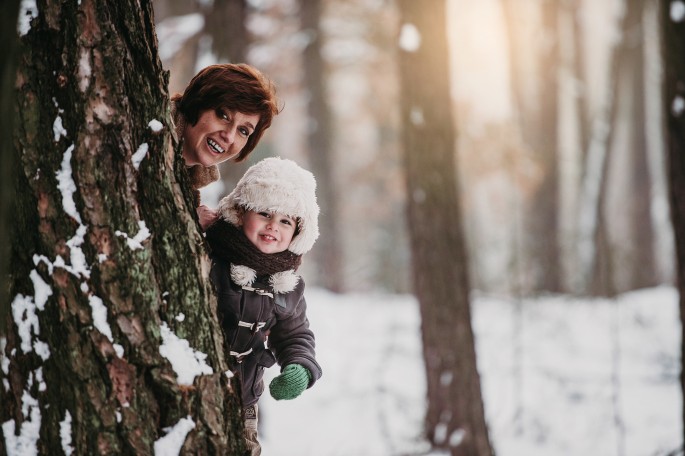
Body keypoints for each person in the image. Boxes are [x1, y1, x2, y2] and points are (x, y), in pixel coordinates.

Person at [203, 157, 322, 455]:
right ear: (242, 213)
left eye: (286, 221)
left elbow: (295, 334)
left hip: (243, 400)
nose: (273, 226)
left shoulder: (287, 284)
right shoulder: (214, 256)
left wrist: (300, 367)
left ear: (297, 232)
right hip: (199, 386)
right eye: (265, 213)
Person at [171, 63, 280, 205]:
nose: (229, 137)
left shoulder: (188, 185)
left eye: (243, 131)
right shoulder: (146, 130)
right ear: (197, 103)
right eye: (223, 115)